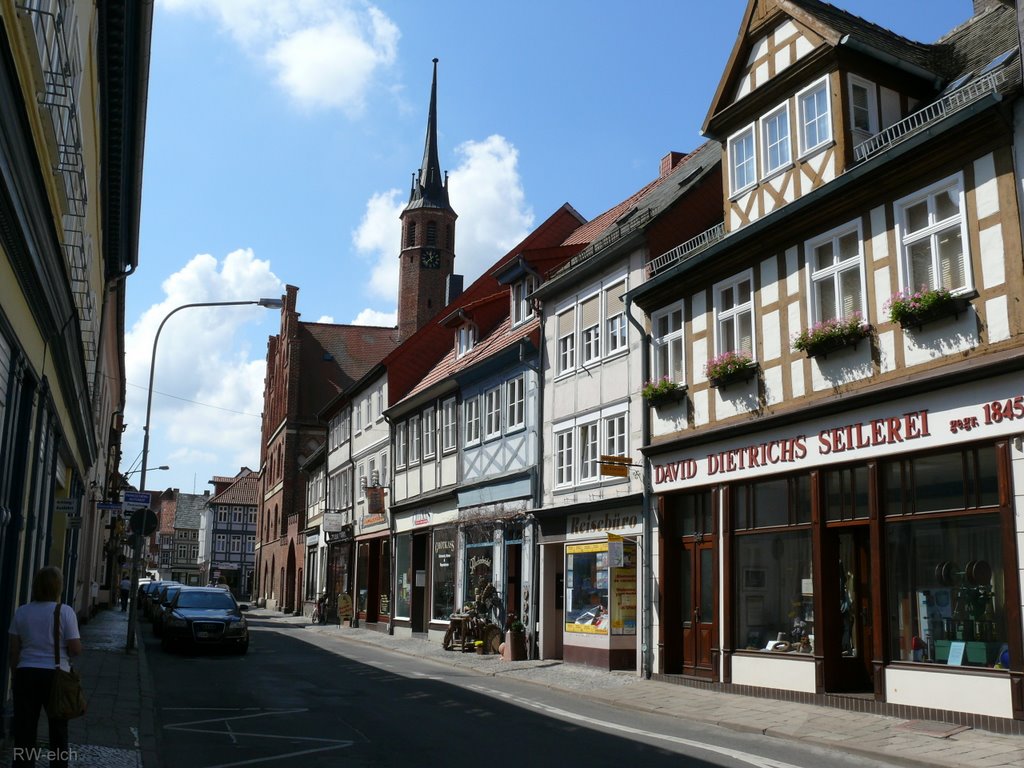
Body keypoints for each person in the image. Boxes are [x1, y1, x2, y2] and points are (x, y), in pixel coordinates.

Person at [7, 566, 82, 768]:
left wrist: (15, 676)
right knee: (58, 732)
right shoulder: (65, 612)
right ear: (58, 587)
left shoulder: (21, 612)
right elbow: (75, 648)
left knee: (25, 731)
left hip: (26, 674)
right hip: (56, 676)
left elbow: (14, 650)